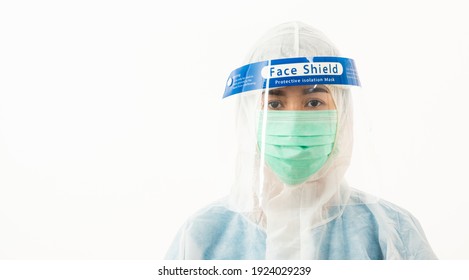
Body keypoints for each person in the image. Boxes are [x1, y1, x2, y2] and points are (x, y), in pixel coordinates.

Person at [165, 21, 437, 260]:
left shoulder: (392, 233)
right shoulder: (201, 237)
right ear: (249, 115)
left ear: (342, 112)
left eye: (314, 101)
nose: (294, 122)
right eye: (274, 104)